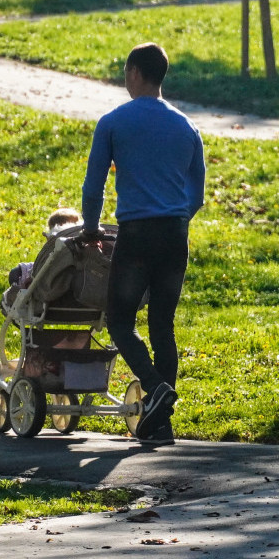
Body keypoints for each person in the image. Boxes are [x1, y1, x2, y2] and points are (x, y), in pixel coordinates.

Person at [79, 42, 205, 446]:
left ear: (135, 72)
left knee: (119, 319)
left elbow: (94, 183)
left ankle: (155, 387)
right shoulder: (187, 127)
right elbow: (196, 194)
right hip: (175, 235)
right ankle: (159, 422)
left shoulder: (114, 122)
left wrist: (91, 228)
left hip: (136, 235)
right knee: (162, 326)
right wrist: (177, 218)